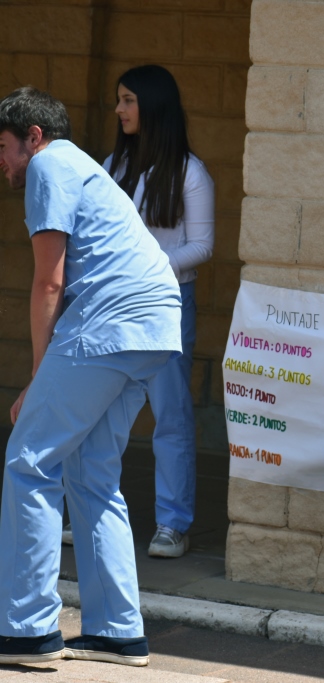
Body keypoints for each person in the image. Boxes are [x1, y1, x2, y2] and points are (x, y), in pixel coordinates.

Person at [0, 87, 181, 666]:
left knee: (29, 460)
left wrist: (35, 379)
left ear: (33, 137)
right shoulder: (80, 164)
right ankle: (115, 631)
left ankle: (28, 629)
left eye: (2, 147)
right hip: (153, 326)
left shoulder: (50, 164)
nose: (0, 161)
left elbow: (48, 282)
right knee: (92, 474)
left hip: (110, 321)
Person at [60, 65, 214, 559]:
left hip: (169, 302)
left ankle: (172, 523)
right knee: (99, 407)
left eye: (128, 100)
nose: (120, 110)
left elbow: (203, 246)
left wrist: (146, 266)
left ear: (151, 105)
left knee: (169, 414)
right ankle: (87, 511)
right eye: (118, 100)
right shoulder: (113, 166)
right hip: (113, 302)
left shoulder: (190, 172)